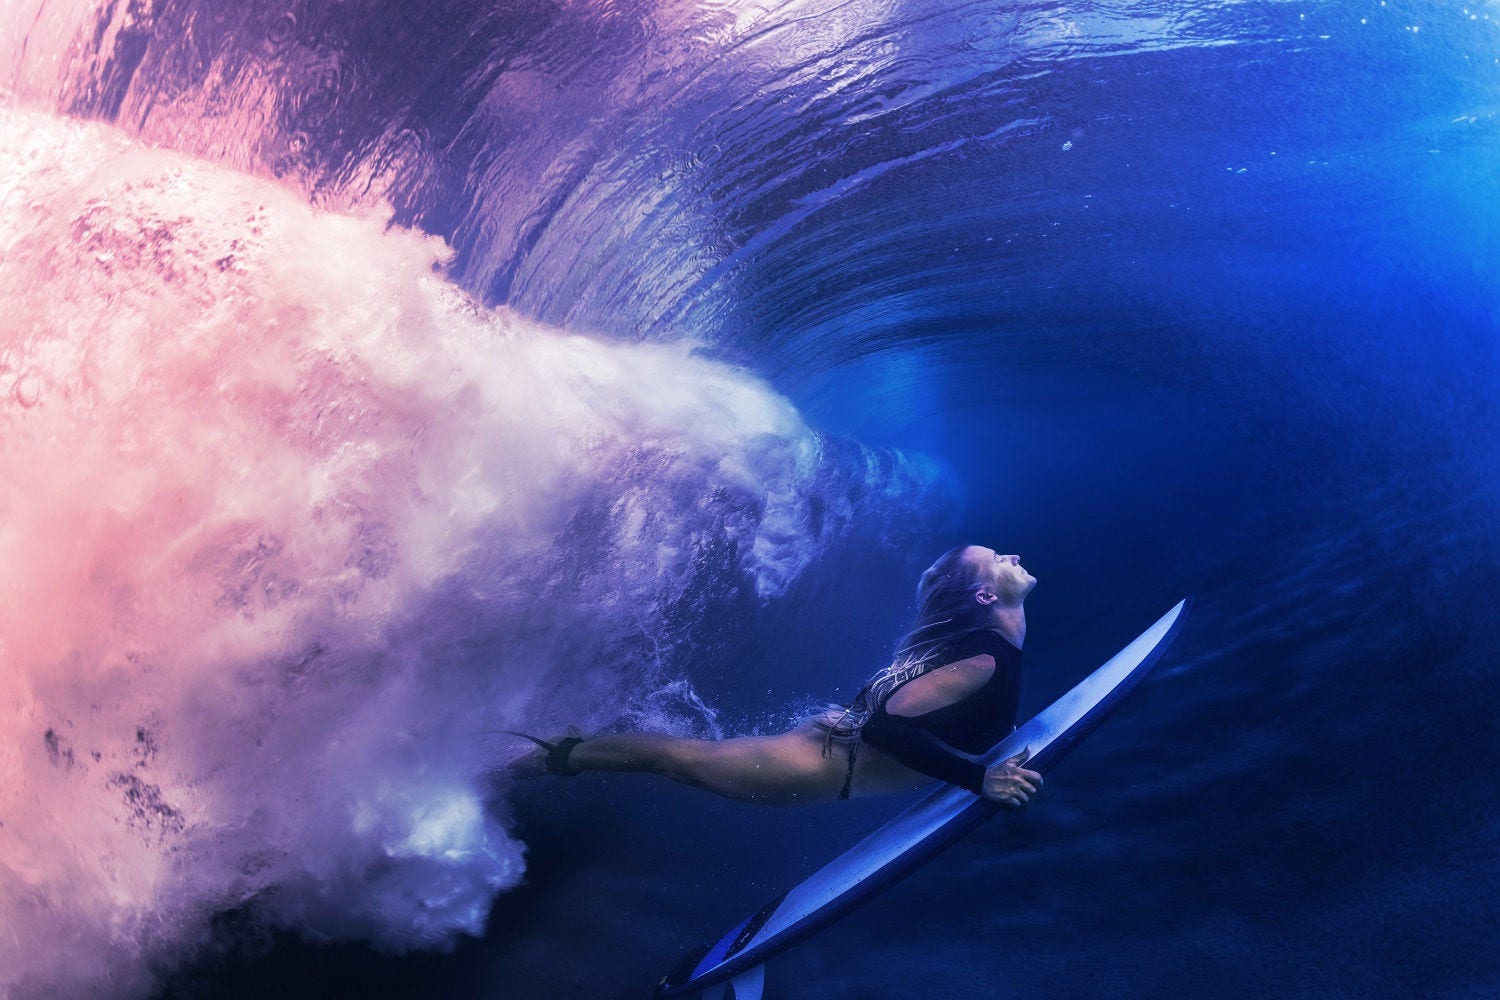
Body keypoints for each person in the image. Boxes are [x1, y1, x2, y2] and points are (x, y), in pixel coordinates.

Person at [512, 545, 1043, 808]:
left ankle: (572, 747)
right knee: (680, 761)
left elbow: (910, 699)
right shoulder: (984, 657)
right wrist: (979, 780)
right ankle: (560, 754)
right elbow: (886, 728)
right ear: (985, 596)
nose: (1012, 556)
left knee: (687, 758)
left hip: (838, 746)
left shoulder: (972, 643)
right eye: (998, 559)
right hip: (818, 768)